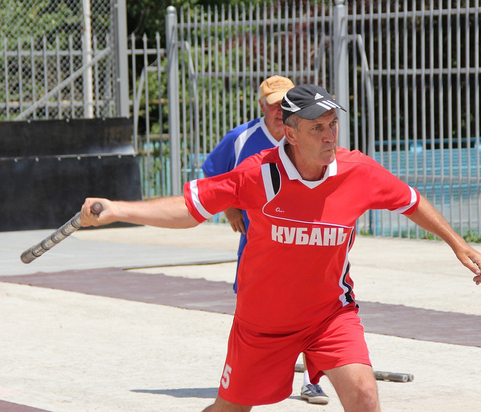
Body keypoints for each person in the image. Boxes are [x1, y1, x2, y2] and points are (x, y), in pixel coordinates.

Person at [80, 84, 481, 412]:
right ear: (290, 133)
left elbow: (409, 200)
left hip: (330, 314)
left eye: (332, 125)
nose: (329, 136)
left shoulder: (359, 171)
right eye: (316, 128)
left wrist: (458, 244)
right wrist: (118, 209)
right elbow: (190, 207)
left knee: (363, 396)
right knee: (230, 410)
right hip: (263, 323)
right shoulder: (257, 174)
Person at [201, 75, 328, 405]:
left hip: (304, 238)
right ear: (262, 106)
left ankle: (312, 380)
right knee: (253, 306)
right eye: (273, 105)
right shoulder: (241, 138)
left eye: (284, 104)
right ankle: (244, 379)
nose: (278, 111)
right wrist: (230, 207)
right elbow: (214, 173)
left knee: (313, 304)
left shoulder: (305, 134)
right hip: (258, 243)